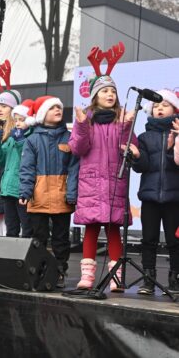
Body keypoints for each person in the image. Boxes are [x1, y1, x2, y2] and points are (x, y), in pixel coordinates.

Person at [69, 72, 134, 291]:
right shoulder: (86, 120)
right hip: (92, 185)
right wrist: (81, 125)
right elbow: (78, 148)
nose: (110, 94)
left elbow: (128, 148)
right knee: (91, 228)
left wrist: (126, 125)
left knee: (114, 229)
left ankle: (116, 278)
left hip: (115, 182)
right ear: (95, 96)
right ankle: (87, 277)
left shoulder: (121, 119)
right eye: (105, 91)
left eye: (113, 91)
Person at [19, 96, 79, 287]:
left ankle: (59, 272)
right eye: (52, 108)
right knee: (39, 238)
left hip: (62, 195)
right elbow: (27, 168)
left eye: (59, 107)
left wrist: (72, 193)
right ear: (43, 114)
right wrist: (25, 191)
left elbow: (75, 168)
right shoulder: (32, 139)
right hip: (39, 196)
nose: (57, 110)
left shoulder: (70, 137)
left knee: (61, 239)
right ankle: (39, 272)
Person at [129, 89, 179, 294]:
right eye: (156, 106)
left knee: (174, 241)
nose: (160, 109)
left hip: (174, 197)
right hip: (149, 197)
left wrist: (171, 147)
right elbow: (143, 167)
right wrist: (137, 156)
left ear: (175, 110)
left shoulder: (178, 134)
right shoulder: (144, 137)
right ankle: (148, 279)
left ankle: (175, 279)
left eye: (165, 105)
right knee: (148, 239)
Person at [0, 90, 33, 238]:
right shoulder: (11, 137)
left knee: (26, 228)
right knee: (11, 229)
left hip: (21, 189)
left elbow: (27, 157)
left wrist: (20, 140)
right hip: (7, 189)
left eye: (4, 106)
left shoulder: (29, 135)